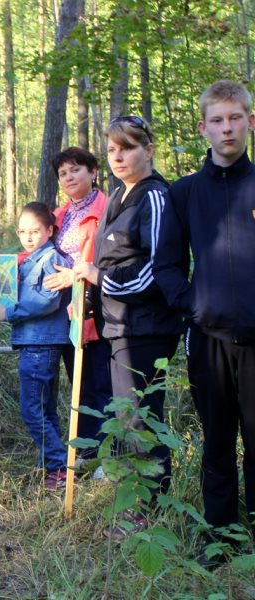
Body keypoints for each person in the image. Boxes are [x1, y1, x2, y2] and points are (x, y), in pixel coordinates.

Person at [153, 80, 255, 566]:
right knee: (217, 441)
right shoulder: (185, 192)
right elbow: (166, 265)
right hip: (208, 340)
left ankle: (253, 534)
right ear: (203, 129)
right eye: (217, 120)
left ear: (250, 122)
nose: (227, 127)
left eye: (235, 117)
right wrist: (192, 305)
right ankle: (221, 538)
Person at [73, 116, 183, 537]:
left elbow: (156, 270)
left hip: (147, 328)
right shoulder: (119, 194)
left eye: (129, 147)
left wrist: (99, 278)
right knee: (126, 416)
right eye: (113, 149)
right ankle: (133, 496)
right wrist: (87, 294)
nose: (119, 156)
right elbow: (105, 261)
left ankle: (149, 508)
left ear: (149, 149)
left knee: (141, 418)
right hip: (118, 326)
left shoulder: (154, 196)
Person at [0, 202, 71, 491]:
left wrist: (6, 313)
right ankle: (51, 465)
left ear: (50, 230)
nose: (28, 237)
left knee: (32, 410)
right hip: (35, 342)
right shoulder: (27, 261)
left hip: (41, 344)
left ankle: (59, 465)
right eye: (22, 232)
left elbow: (47, 299)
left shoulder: (52, 258)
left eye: (35, 231)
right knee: (45, 409)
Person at [43, 148, 113, 474]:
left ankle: (109, 453)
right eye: (63, 174)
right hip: (67, 312)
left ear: (93, 171)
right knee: (79, 379)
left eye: (76, 170)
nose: (69, 177)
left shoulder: (109, 209)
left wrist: (78, 275)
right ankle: (86, 447)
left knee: (103, 379)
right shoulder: (58, 217)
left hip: (99, 306)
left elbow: (113, 259)